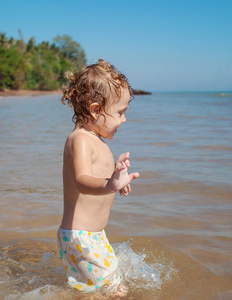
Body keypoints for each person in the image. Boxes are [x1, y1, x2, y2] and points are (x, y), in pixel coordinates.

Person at [57, 59, 139, 293]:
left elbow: (98, 178)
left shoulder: (93, 139)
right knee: (116, 291)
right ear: (95, 110)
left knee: (94, 290)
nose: (124, 119)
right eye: (120, 112)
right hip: (83, 238)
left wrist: (116, 179)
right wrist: (110, 184)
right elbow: (82, 180)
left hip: (89, 236)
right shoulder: (81, 139)